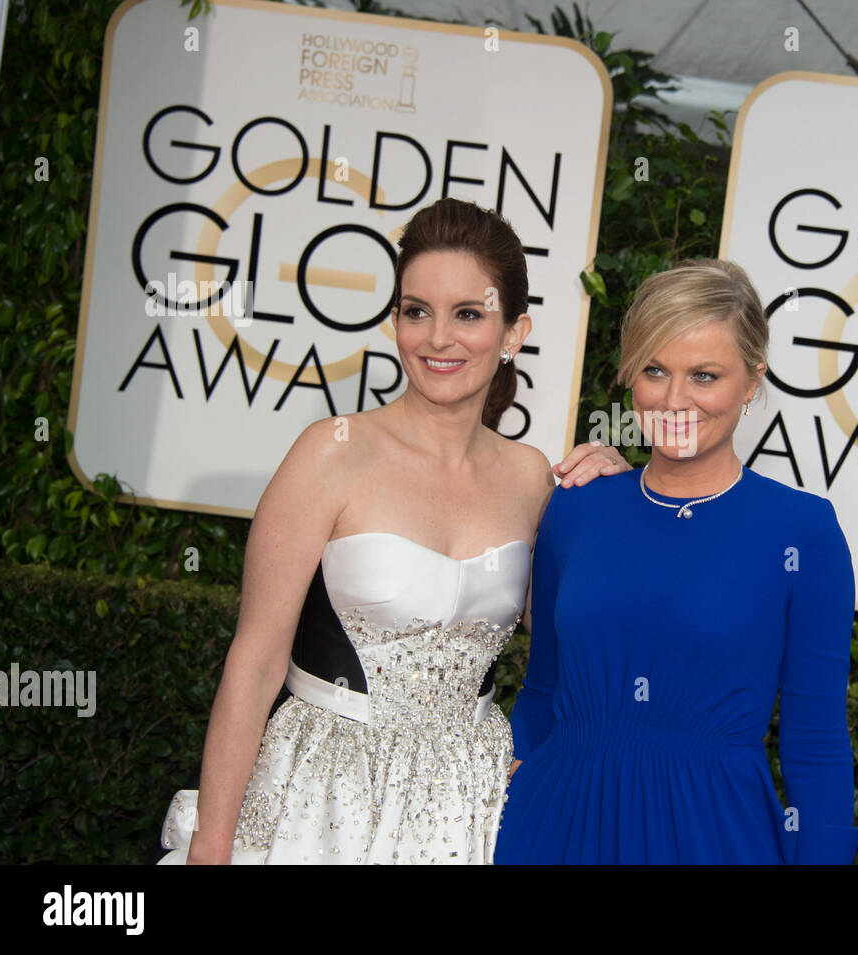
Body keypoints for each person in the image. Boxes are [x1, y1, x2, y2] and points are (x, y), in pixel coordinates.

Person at [156, 197, 626, 864]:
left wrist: (625, 499)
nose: (438, 338)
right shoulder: (330, 453)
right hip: (319, 799)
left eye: (468, 313)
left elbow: (575, 644)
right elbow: (256, 662)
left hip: (469, 811)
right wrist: (211, 846)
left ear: (514, 331)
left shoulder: (533, 480)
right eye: (416, 311)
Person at [495, 259, 858, 864]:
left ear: (752, 381)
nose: (673, 399)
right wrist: (504, 806)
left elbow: (815, 740)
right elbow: (543, 690)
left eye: (705, 375)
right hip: (552, 823)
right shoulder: (579, 509)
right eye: (655, 369)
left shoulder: (802, 532)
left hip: (710, 833)